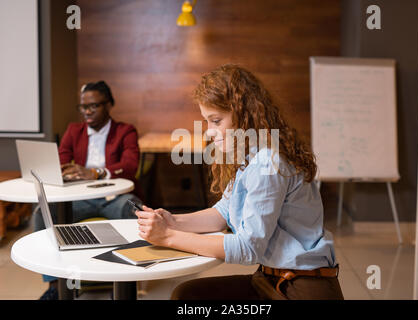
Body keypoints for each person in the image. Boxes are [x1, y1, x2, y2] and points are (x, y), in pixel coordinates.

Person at [135, 64, 344, 300]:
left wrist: (168, 237)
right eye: (207, 122)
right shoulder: (248, 155)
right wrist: (174, 222)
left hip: (301, 287)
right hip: (270, 278)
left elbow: (248, 249)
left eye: (216, 121)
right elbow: (224, 211)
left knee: (188, 299)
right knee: (187, 295)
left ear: (245, 115)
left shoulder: (267, 162)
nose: (209, 132)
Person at [34, 80, 143, 300]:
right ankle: (56, 285)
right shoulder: (74, 131)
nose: (87, 112)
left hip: (114, 197)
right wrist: (63, 171)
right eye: (83, 107)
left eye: (94, 106)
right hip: (81, 198)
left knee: (134, 208)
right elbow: (62, 159)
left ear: (109, 104)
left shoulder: (125, 131)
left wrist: (95, 173)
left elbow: (130, 166)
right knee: (42, 214)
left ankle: (124, 284)